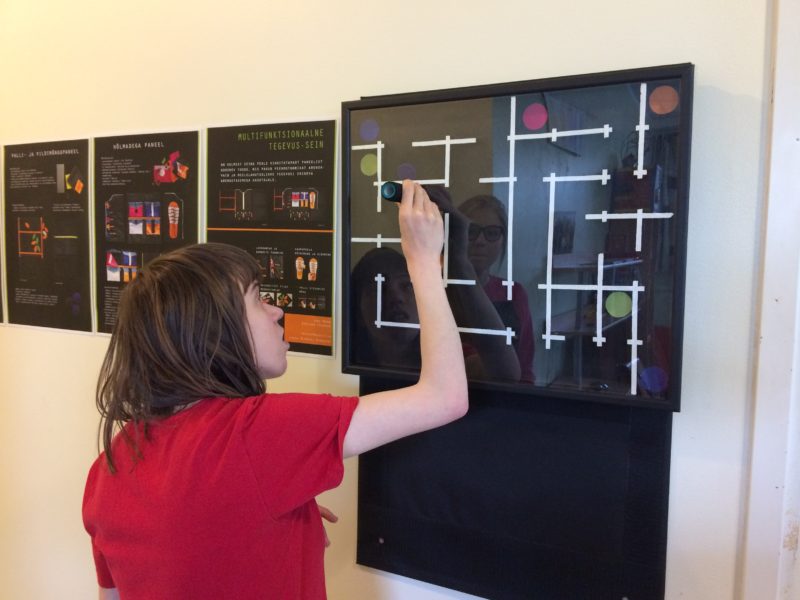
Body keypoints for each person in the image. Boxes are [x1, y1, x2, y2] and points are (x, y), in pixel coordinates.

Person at [82, 180, 467, 600]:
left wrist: (254, 513)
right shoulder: (256, 433)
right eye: (258, 299)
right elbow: (444, 397)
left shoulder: (109, 468)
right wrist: (423, 260)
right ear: (215, 333)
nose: (276, 310)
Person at [457, 193, 535, 383]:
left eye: (492, 233)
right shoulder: (435, 291)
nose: (480, 241)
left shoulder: (514, 293)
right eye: (471, 231)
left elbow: (525, 367)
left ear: (503, 240)